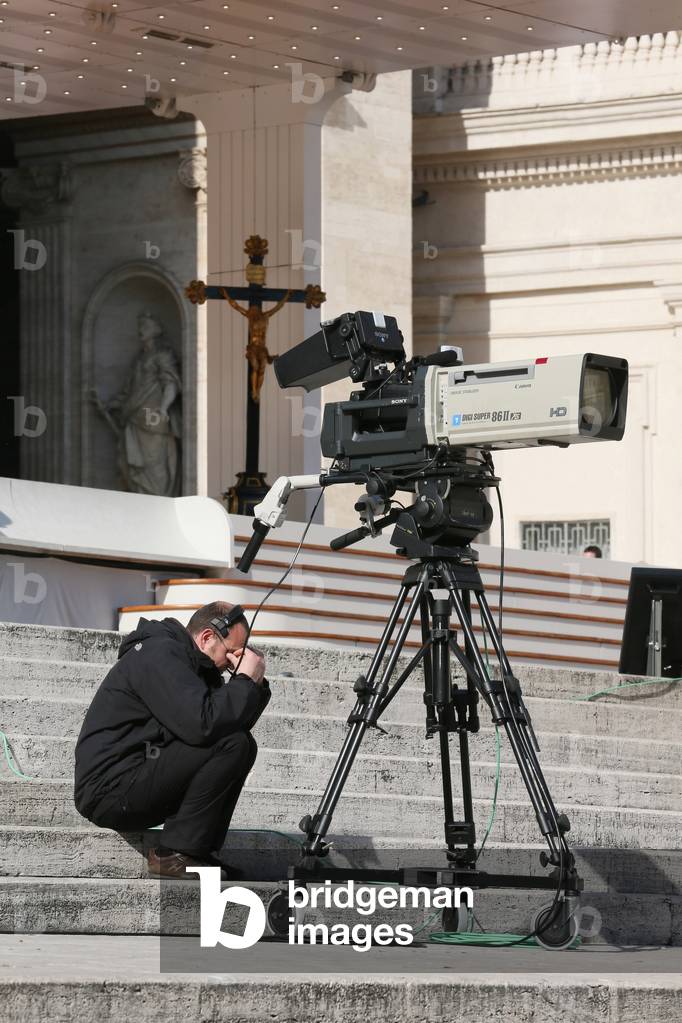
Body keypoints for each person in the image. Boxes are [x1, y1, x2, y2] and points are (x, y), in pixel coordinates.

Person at [73, 601, 270, 880]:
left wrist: (253, 684)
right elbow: (203, 726)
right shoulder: (159, 654)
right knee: (232, 744)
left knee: (241, 743)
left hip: (139, 777)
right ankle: (174, 855)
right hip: (109, 790)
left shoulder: (197, 666)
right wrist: (244, 682)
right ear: (207, 637)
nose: (231, 663)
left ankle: (195, 851)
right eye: (231, 653)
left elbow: (228, 724)